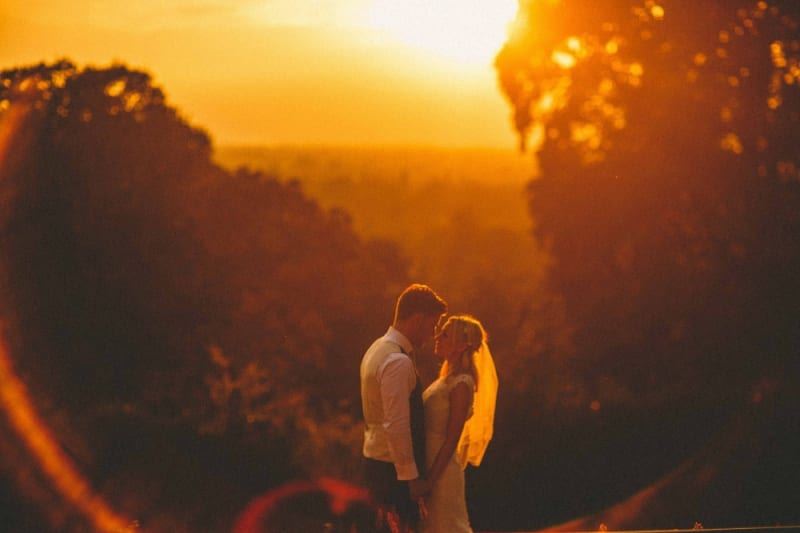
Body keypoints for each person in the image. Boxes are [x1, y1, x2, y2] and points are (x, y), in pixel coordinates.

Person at [360, 284, 448, 532]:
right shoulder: (397, 361)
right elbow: (397, 425)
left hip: (376, 463)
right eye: (432, 325)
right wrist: (412, 480)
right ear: (418, 319)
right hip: (394, 473)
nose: (432, 334)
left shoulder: (376, 349)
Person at [420, 315, 498, 533]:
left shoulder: (462, 384)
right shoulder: (446, 379)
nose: (437, 337)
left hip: (441, 474)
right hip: (428, 464)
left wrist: (429, 482)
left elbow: (452, 440)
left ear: (461, 345)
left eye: (444, 334)